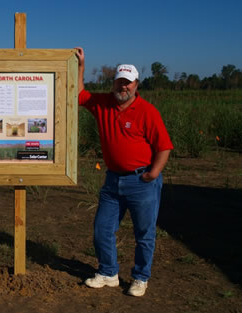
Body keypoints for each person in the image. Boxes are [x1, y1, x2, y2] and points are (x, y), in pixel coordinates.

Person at [75, 47, 173, 297]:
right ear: (114, 83)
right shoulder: (103, 104)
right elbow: (78, 95)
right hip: (113, 180)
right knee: (102, 229)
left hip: (142, 181)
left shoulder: (147, 111)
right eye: (120, 82)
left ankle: (141, 278)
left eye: (128, 83)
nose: (124, 87)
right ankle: (108, 273)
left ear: (136, 84)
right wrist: (81, 67)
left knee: (144, 233)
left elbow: (164, 147)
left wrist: (152, 174)